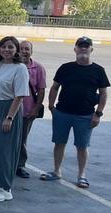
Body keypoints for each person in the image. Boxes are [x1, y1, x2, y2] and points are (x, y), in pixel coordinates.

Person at [43, 37, 108, 189]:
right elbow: (54, 87)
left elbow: (103, 93)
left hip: (85, 115)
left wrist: (98, 114)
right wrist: (51, 107)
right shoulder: (65, 68)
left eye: (86, 46)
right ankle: (56, 171)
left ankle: (81, 176)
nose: (83, 48)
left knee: (82, 146)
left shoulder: (98, 70)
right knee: (59, 143)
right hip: (62, 113)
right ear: (75, 49)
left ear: (91, 49)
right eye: (80, 46)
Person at [0, 36, 30, 202]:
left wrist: (9, 117)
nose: (6, 50)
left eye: (10, 47)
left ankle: (5, 188)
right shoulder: (0, 65)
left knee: (4, 150)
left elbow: (20, 95)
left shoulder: (20, 68)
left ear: (16, 50)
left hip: (7, 108)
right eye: (3, 47)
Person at [16, 40, 46, 179]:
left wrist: (36, 108)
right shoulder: (12, 66)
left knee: (22, 139)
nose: (24, 51)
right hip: (10, 110)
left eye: (27, 49)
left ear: (31, 51)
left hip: (27, 111)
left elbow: (41, 90)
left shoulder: (38, 68)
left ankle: (20, 165)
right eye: (21, 49)